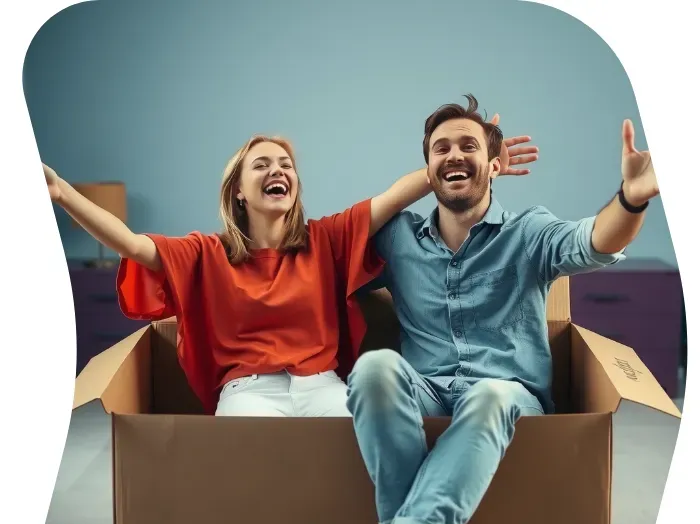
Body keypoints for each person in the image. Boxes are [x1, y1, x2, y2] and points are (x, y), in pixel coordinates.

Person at [308, 94, 659, 524]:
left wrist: (632, 200)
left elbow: (595, 241)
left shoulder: (530, 231)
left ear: (495, 165)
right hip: (422, 393)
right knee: (374, 367)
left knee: (491, 394)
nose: (455, 156)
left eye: (470, 146)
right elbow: (322, 247)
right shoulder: (398, 238)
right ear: (424, 169)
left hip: (507, 398)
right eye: (440, 149)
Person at [43, 128, 538, 417]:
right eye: (261, 165)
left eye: (285, 164)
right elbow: (130, 243)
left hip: (323, 387)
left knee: (359, 453)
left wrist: (474, 161)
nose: (277, 170)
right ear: (238, 189)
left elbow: (400, 193)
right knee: (253, 470)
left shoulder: (326, 239)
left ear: (295, 185)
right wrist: (63, 193)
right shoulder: (205, 253)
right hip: (247, 392)